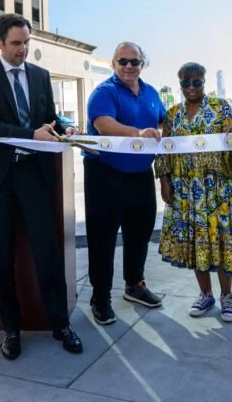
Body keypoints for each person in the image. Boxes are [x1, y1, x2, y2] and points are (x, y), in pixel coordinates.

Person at [0, 13, 82, 360]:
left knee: (48, 251)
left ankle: (60, 324)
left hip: (34, 174)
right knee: (2, 256)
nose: (23, 49)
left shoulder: (40, 76)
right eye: (16, 43)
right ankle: (11, 330)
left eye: (27, 42)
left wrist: (64, 127)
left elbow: (48, 118)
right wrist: (30, 134)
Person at [155, 62, 232, 322]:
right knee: (197, 242)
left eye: (197, 82)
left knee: (222, 240)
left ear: (204, 82)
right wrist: (164, 181)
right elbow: (163, 150)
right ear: (180, 84)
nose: (191, 87)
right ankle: (206, 294)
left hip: (219, 190)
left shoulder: (220, 107)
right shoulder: (172, 114)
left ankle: (227, 296)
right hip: (186, 190)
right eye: (185, 83)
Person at [84, 42, 166, 325]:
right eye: (123, 61)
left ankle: (135, 285)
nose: (129, 67)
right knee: (103, 238)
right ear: (113, 64)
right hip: (104, 173)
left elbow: (166, 123)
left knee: (140, 232)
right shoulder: (104, 92)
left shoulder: (151, 93)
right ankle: (100, 297)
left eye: (135, 62)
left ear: (142, 64)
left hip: (140, 173)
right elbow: (104, 125)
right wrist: (138, 133)